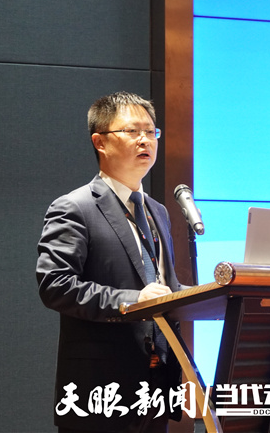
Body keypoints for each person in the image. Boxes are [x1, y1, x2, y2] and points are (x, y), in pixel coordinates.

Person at [36, 91, 184, 433]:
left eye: (151, 131)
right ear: (100, 142)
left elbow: (165, 286)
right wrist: (133, 301)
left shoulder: (157, 211)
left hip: (157, 385)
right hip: (102, 388)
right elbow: (55, 286)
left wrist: (215, 294)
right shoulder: (75, 207)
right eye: (132, 131)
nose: (145, 139)